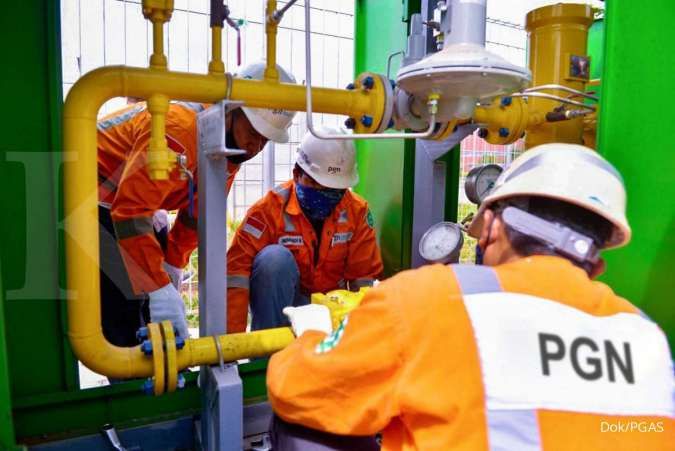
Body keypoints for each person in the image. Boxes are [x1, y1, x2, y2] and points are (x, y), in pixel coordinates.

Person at [266, 144, 675, 450]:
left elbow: (297, 388)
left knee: (305, 421)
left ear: (493, 227)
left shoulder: (430, 296)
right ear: (596, 264)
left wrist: (312, 337)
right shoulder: (648, 339)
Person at [97, 61, 296, 346]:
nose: (255, 147)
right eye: (254, 133)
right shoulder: (181, 129)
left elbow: (197, 215)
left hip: (123, 199)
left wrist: (172, 264)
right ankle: (132, 366)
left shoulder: (228, 147)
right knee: (127, 304)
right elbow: (131, 213)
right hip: (85, 193)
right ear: (231, 110)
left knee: (145, 292)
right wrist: (158, 287)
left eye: (265, 141)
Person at [225, 127, 384, 333]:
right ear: (297, 174)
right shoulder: (267, 212)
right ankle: (270, 350)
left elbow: (363, 280)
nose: (325, 195)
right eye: (317, 185)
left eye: (334, 190)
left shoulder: (357, 212)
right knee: (274, 260)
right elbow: (236, 276)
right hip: (284, 310)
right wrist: (232, 345)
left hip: (330, 310)